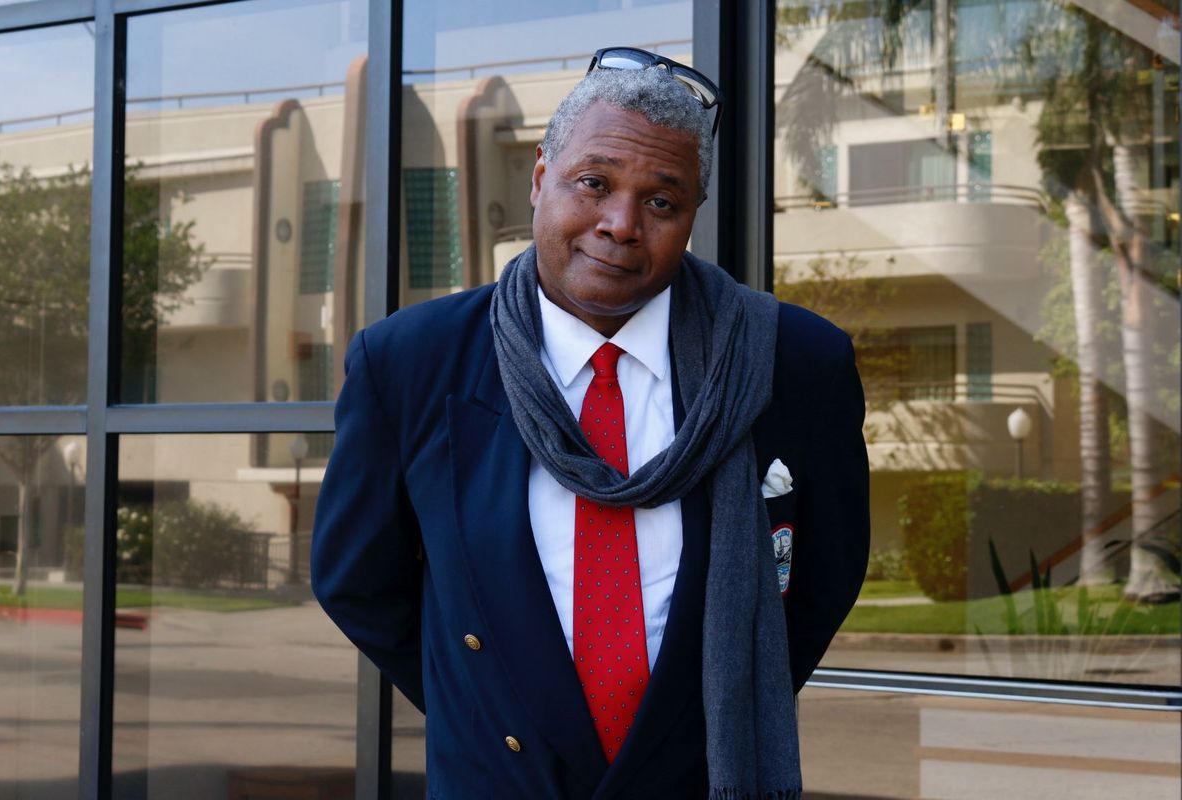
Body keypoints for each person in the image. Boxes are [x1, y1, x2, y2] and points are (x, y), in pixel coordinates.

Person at [311, 47, 869, 800]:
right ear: (541, 178)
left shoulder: (793, 363)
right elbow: (356, 582)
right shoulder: (411, 362)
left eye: (661, 202)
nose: (620, 224)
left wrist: (711, 714)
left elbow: (823, 582)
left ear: (692, 217)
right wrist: (491, 713)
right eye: (594, 183)